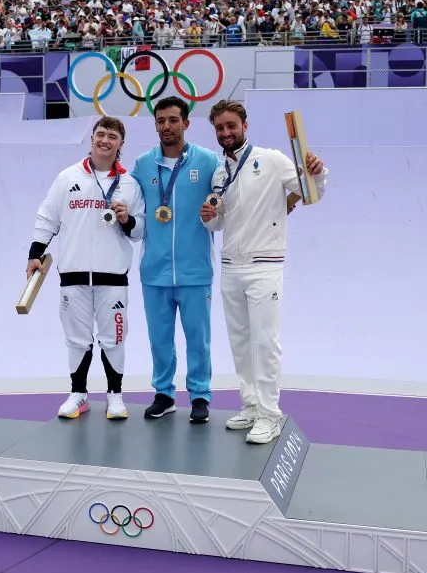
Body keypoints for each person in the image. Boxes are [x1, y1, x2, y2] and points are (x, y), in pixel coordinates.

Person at [200, 100, 328, 444]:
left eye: (231, 125)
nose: (226, 132)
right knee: (240, 343)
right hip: (231, 267)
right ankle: (252, 405)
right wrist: (208, 217)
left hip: (265, 267)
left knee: (265, 343)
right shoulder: (219, 173)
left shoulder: (271, 160)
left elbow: (309, 191)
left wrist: (316, 171)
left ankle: (270, 415)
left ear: (245, 125)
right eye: (220, 128)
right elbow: (219, 223)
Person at [28, 116, 146, 420]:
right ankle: (78, 394)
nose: (105, 140)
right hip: (73, 276)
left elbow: (139, 231)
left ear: (121, 144)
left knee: (114, 338)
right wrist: (35, 253)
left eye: (112, 137)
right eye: (100, 134)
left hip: (113, 278)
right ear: (91, 138)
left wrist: (127, 220)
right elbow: (47, 217)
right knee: (76, 339)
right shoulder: (67, 177)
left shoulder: (130, 184)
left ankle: (115, 396)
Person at [130, 96, 221, 424]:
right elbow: (131, 205)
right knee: (160, 339)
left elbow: (231, 192)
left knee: (198, 338)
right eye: (160, 121)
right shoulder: (143, 164)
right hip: (154, 271)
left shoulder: (207, 161)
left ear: (186, 123)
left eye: (172, 120)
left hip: (195, 270)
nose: (166, 126)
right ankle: (164, 394)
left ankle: (200, 395)